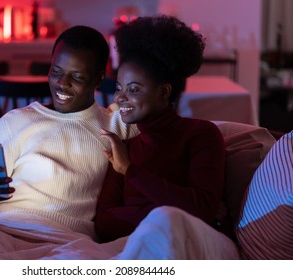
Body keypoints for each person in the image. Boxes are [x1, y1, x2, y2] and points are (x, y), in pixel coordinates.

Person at [0, 25, 137, 259]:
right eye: (56, 71)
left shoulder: (116, 123)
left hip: (66, 241)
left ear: (100, 77)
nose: (63, 83)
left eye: (77, 77)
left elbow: (159, 105)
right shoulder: (16, 122)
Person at [94, 15, 239, 259]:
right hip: (143, 247)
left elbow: (199, 211)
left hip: (200, 245)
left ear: (164, 92)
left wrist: (130, 171)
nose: (120, 99)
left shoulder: (202, 135)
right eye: (119, 88)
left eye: (133, 89)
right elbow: (105, 224)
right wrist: (179, 209)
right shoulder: (124, 147)